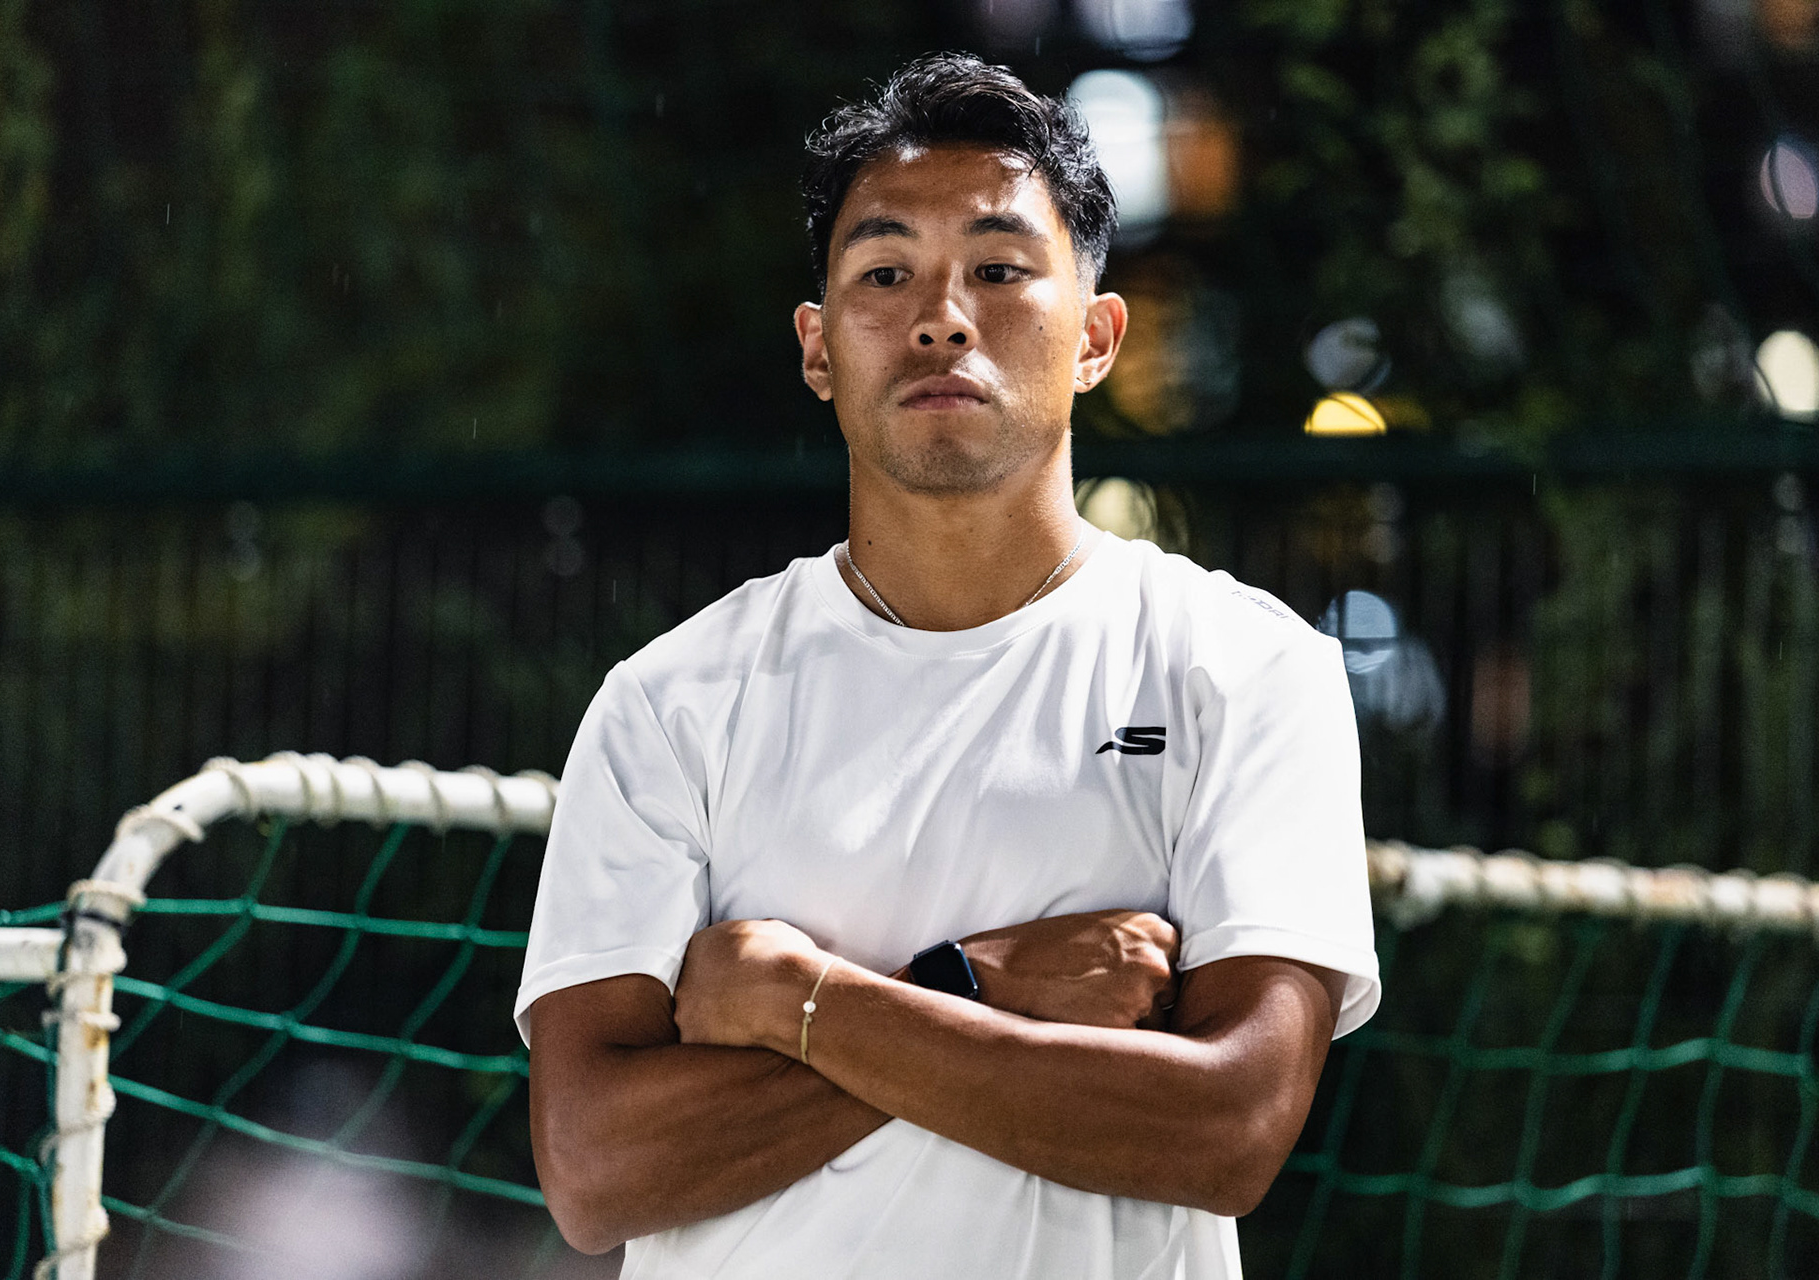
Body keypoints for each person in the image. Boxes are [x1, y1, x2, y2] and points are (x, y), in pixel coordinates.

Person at [516, 52, 1380, 1280]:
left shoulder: (1244, 668)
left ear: (1095, 335)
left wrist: (796, 998)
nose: (940, 314)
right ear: (819, 350)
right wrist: (988, 986)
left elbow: (1226, 1126)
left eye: (998, 268)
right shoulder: (670, 705)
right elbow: (598, 1169)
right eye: (885, 272)